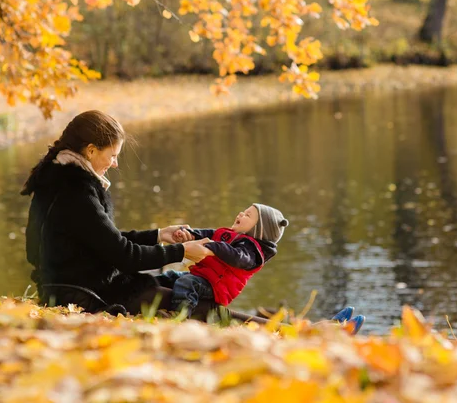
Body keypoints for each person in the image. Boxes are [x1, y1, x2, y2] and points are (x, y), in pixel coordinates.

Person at [22, 110, 213, 316]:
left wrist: (159, 235)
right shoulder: (75, 191)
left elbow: (104, 241)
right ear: (91, 151)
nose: (115, 164)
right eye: (112, 155)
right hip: (85, 295)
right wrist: (182, 251)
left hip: (74, 287)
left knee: (186, 288)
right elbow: (124, 256)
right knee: (207, 309)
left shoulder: (56, 178)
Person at [157, 204, 288, 316]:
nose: (241, 214)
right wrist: (190, 234)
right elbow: (207, 234)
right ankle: (146, 289)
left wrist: (212, 246)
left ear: (258, 230)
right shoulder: (228, 234)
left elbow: (237, 258)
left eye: (247, 215)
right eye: (244, 211)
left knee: (187, 283)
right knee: (171, 276)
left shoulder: (252, 252)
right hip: (202, 276)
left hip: (217, 287)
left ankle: (179, 317)